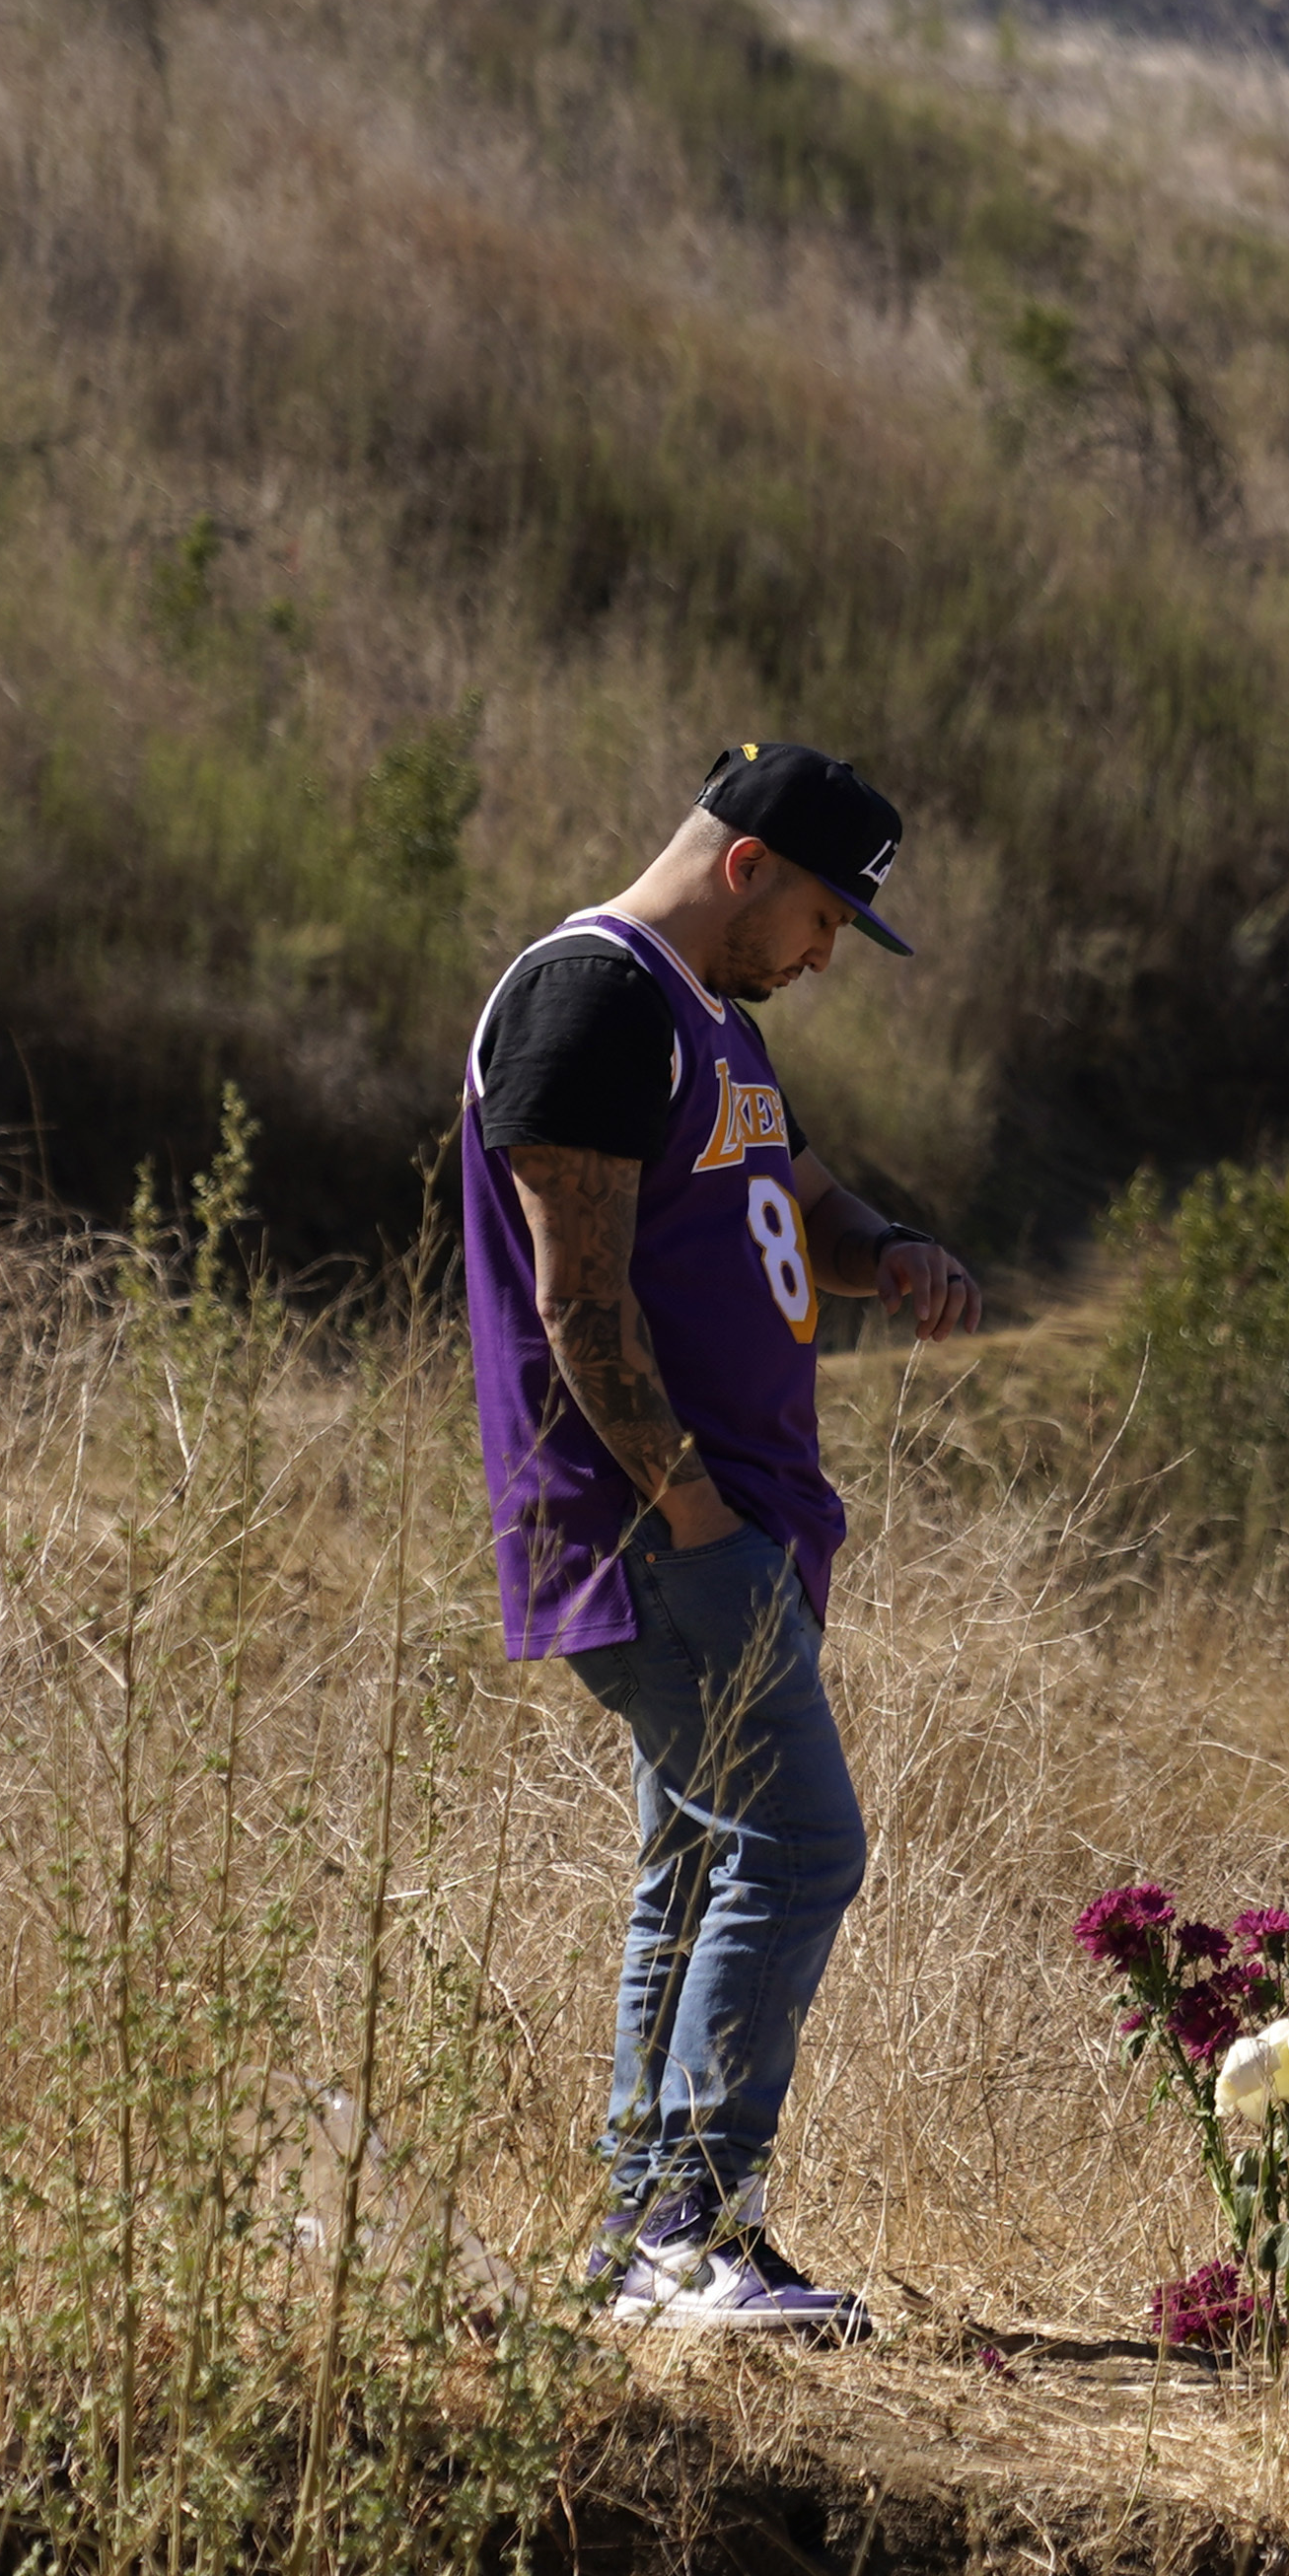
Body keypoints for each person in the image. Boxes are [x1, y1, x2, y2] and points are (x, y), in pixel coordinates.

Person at [459, 742, 981, 2336]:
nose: (827, 955)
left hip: (731, 1527)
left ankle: (640, 2244)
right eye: (826, 917)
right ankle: (692, 2229)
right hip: (659, 1531)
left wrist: (882, 1247)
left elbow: (791, 1181)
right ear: (748, 865)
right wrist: (690, 1513)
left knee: (693, 1869)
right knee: (802, 1845)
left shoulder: (710, 1020)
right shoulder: (591, 997)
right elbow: (577, 1296)